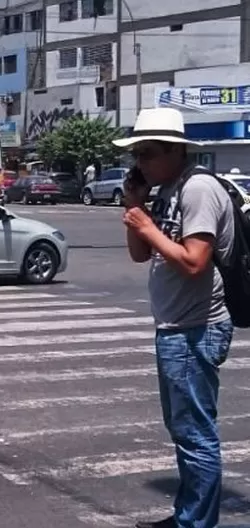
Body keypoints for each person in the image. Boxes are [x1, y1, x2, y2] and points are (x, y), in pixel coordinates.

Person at [119, 108, 235, 528]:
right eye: (136, 155)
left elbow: (194, 262)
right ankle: (188, 516)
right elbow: (139, 255)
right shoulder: (167, 189)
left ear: (174, 151)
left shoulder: (198, 189)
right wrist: (136, 208)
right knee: (184, 432)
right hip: (175, 327)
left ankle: (195, 524)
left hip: (196, 328)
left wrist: (147, 226)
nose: (139, 164)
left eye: (146, 154)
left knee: (196, 435)